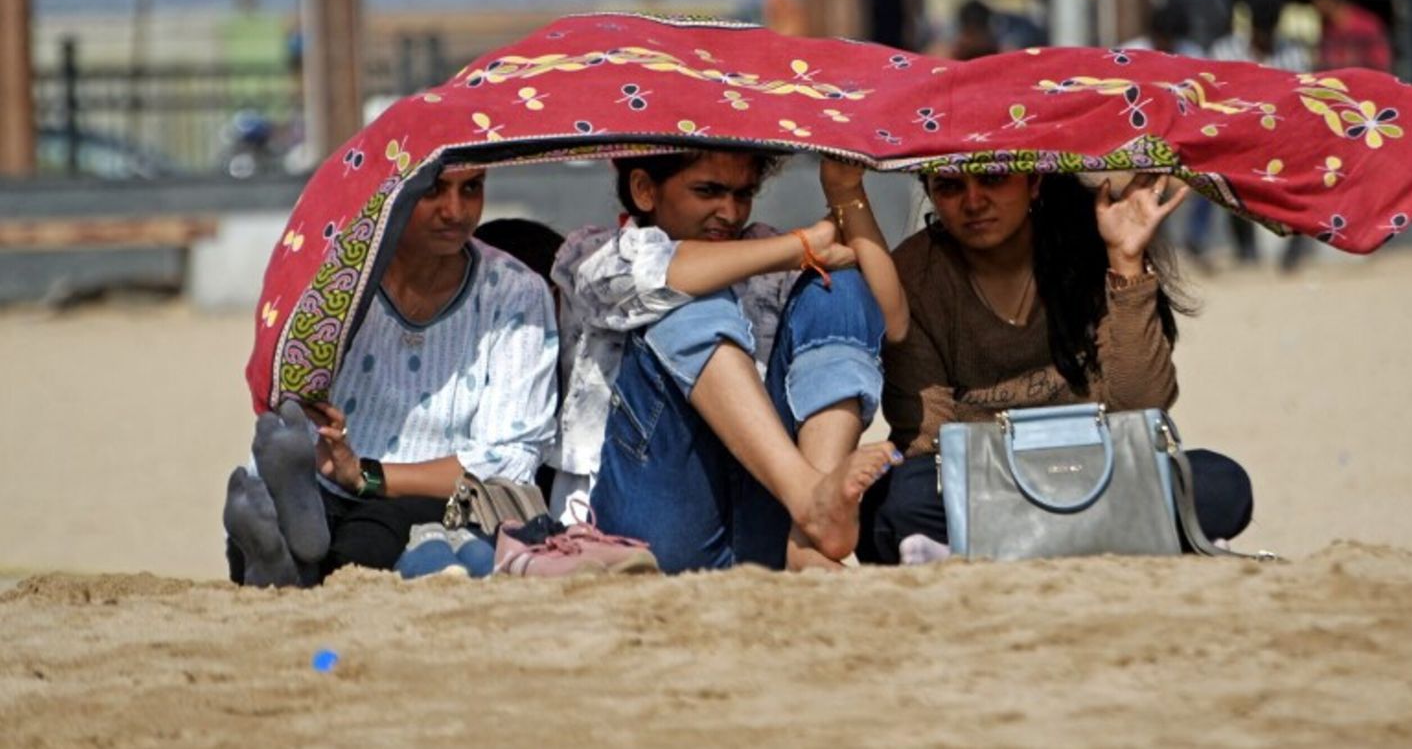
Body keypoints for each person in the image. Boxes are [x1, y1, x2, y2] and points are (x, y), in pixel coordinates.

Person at [858, 170, 1254, 565]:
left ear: (1033, 182)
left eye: (993, 179)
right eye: (949, 187)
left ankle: (979, 544)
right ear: (928, 192)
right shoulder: (914, 273)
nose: (973, 201)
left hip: (1099, 468)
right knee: (894, 501)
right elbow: (928, 441)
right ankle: (1132, 534)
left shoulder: (1094, 246)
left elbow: (1143, 403)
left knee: (1220, 484)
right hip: (984, 479)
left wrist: (1127, 262)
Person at [548, 150, 906, 573]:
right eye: (708, 191)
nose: (730, 211)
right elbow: (666, 272)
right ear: (645, 190)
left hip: (764, 507)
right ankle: (809, 497)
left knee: (839, 286)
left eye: (743, 194)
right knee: (682, 294)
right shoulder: (593, 252)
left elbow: (890, 320)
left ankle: (810, 536)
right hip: (650, 515)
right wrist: (802, 246)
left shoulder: (766, 249)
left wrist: (846, 192)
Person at [221, 165, 560, 586]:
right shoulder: (338, 277)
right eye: (433, 190)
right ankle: (287, 540)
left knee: (376, 532)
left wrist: (365, 475)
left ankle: (287, 562)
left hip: (434, 494)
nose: (455, 210)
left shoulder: (515, 290)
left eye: (471, 188)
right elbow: (291, 387)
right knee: (285, 510)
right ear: (392, 192)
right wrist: (330, 453)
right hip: (324, 476)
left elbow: (510, 455)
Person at [1195, 0, 1311, 271]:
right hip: (1236, 136)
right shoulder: (1225, 50)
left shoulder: (1294, 54)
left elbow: (1304, 100)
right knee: (1231, 187)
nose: (1266, 37)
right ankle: (1245, 249)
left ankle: (1293, 251)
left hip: (1282, 137)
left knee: (1299, 186)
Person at [1312, 0, 1392, 74]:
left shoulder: (1366, 24)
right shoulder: (1328, 28)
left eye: (1319, 0)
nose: (1316, 6)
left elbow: (1380, 60)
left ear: (1330, 0)